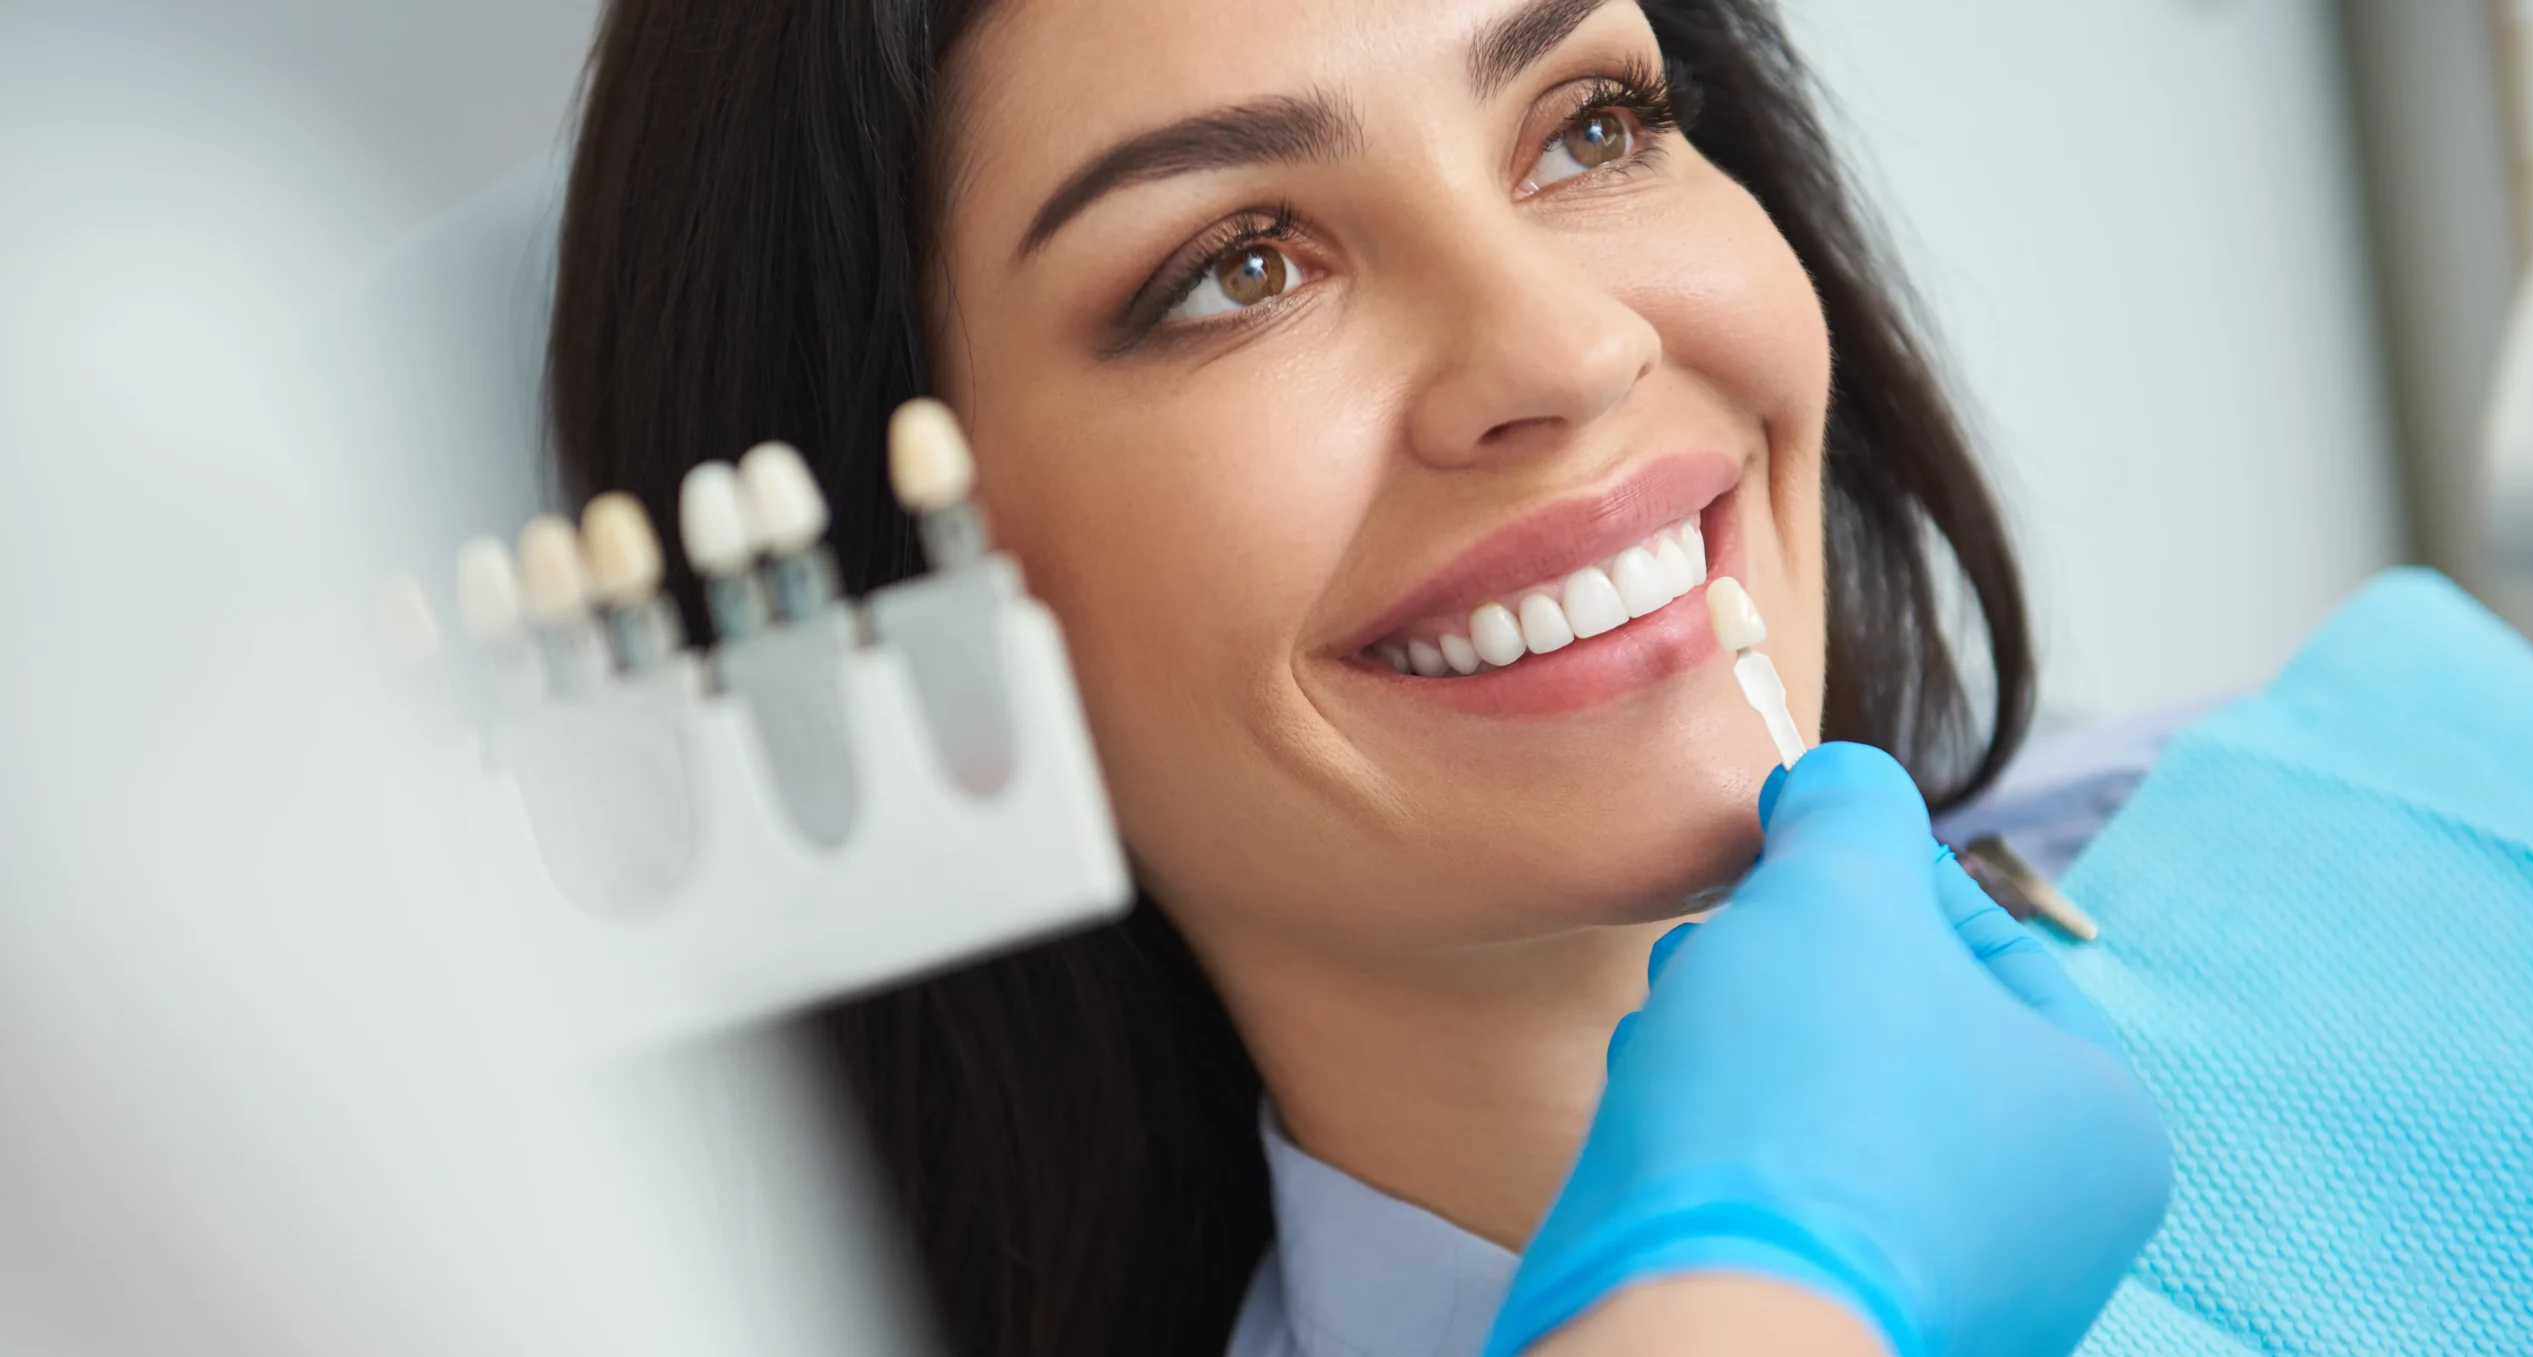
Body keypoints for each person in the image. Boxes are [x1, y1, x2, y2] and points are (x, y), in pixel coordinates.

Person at [544, 0, 2173, 1352]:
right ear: (898, 593)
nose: (1567, 351)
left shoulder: (2359, 804)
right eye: (1240, 266)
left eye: (1589, 124)